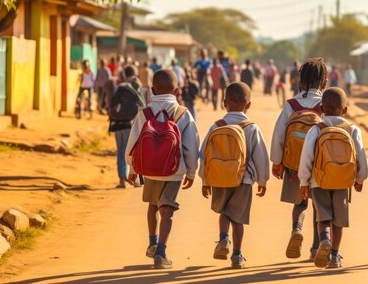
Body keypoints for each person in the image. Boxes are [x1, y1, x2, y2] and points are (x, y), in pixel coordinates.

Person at [125, 69, 200, 270]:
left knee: (152, 204)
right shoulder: (183, 113)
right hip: (174, 170)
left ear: (151, 90)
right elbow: (191, 146)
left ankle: (152, 242)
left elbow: (134, 142)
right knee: (167, 209)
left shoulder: (144, 113)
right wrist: (191, 171)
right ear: (176, 91)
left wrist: (132, 167)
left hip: (149, 168)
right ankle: (161, 251)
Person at [199, 82, 270, 269]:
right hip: (243, 179)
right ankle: (237, 255)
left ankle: (223, 239)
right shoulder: (251, 128)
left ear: (225, 103)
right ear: (248, 105)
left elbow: (204, 154)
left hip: (219, 178)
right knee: (238, 219)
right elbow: (260, 155)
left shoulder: (216, 126)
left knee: (224, 213)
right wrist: (262, 180)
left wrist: (205, 180)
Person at [298, 87, 368, 269]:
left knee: (323, 217)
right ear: (344, 110)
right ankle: (335, 256)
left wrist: (304, 181)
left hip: (318, 181)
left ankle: (324, 239)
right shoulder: (352, 130)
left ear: (321, 108)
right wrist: (360, 179)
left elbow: (307, 156)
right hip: (343, 182)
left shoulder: (316, 129)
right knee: (339, 220)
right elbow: (360, 156)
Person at [271, 57, 327, 260]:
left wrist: (277, 162)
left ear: (301, 80)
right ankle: (315, 247)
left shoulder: (292, 104)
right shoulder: (326, 103)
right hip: (322, 165)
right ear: (323, 82)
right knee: (319, 206)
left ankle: (296, 229)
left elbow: (279, 134)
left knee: (300, 203)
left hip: (294, 163)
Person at [108, 65, 144, 189]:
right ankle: (137, 180)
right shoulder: (137, 87)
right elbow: (142, 106)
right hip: (130, 124)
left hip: (117, 124)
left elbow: (111, 104)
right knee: (133, 152)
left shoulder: (120, 87)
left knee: (121, 151)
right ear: (134, 73)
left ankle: (122, 179)